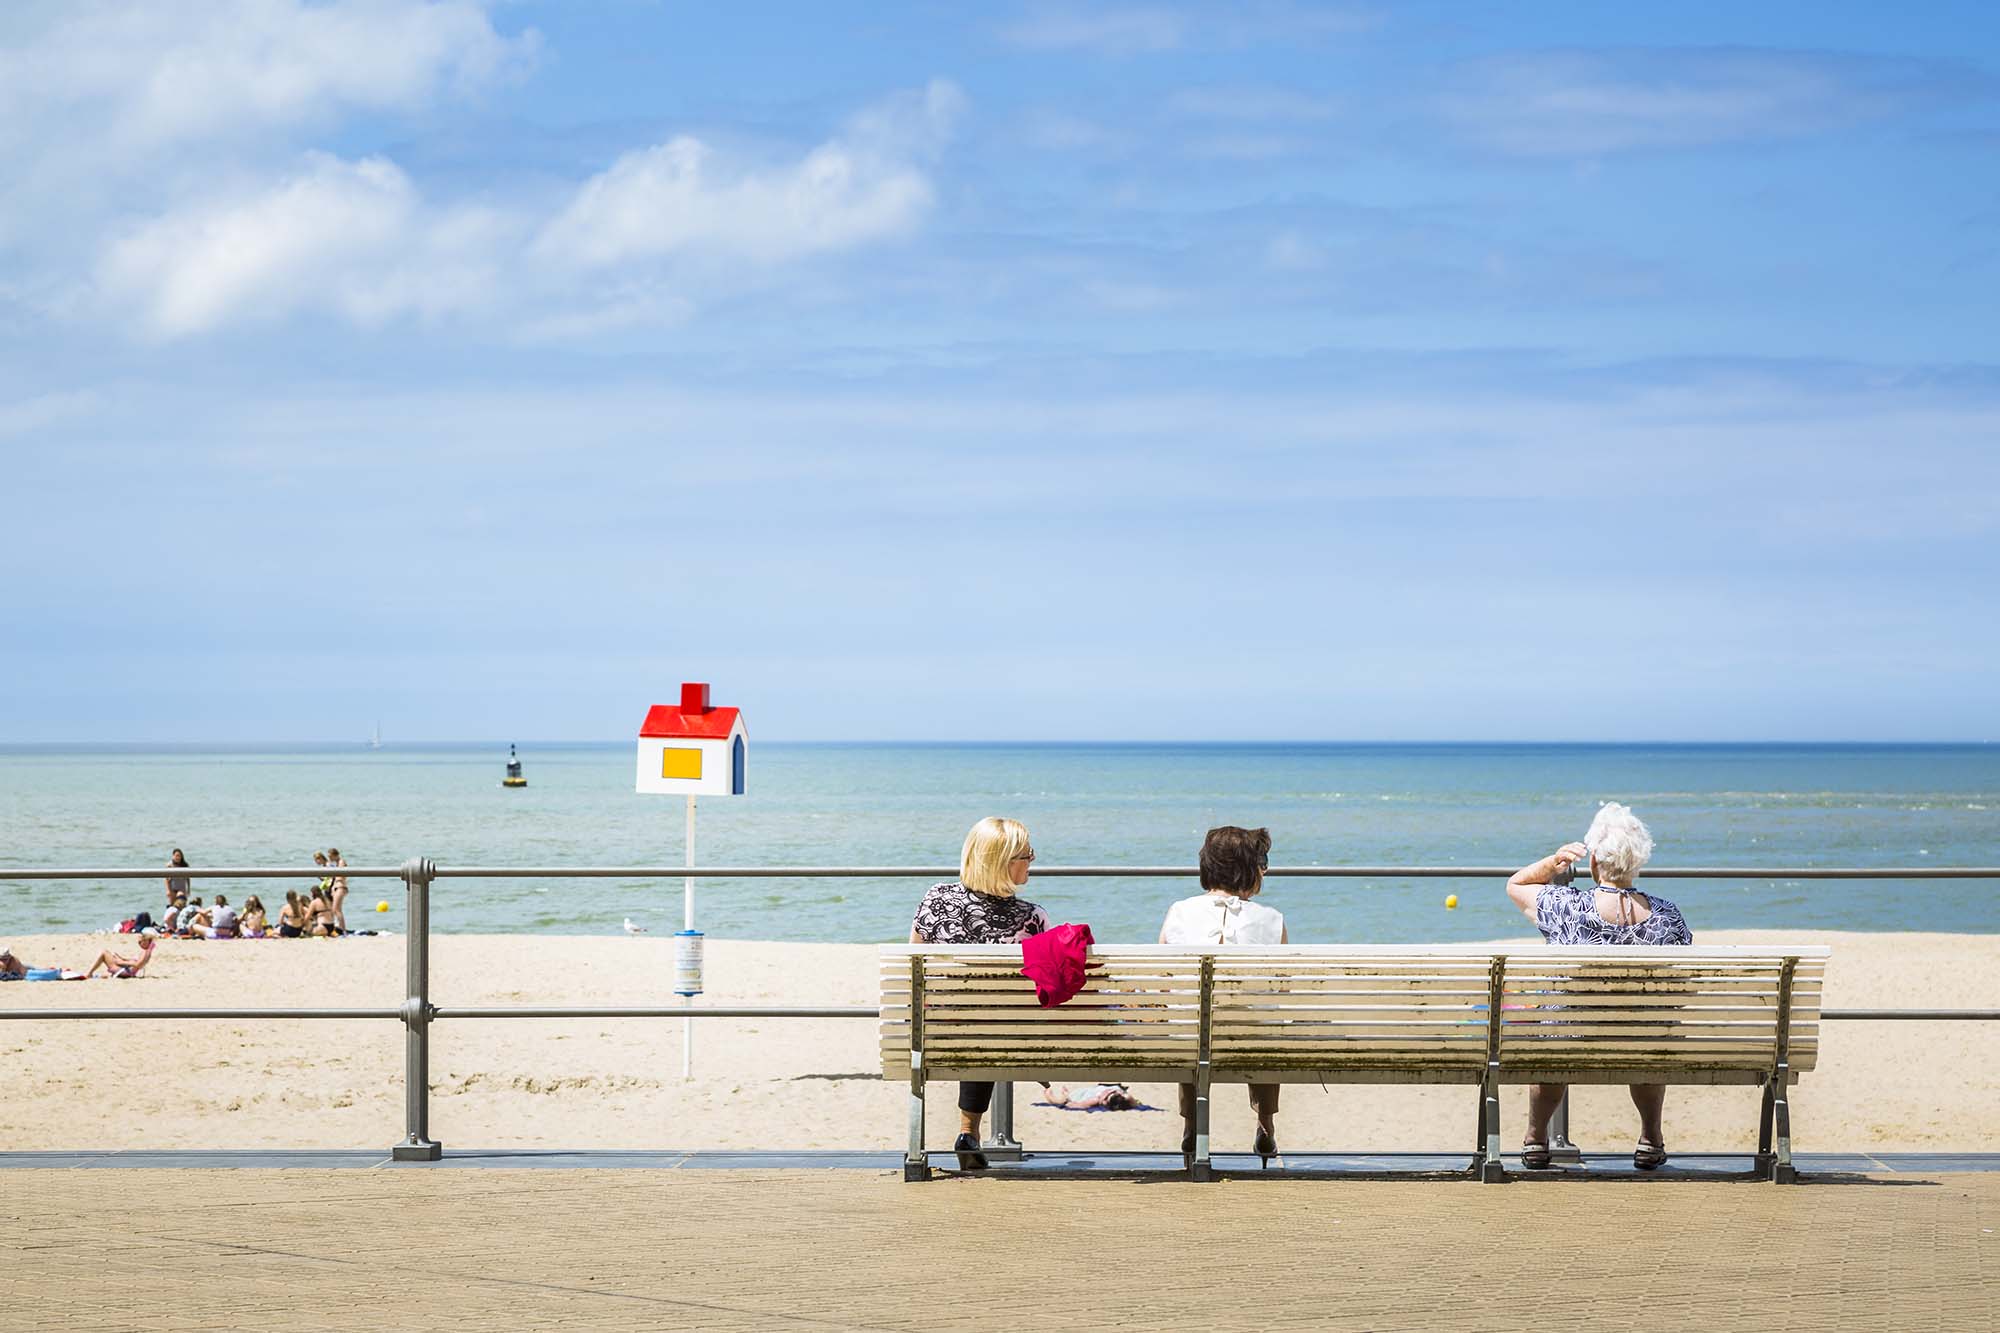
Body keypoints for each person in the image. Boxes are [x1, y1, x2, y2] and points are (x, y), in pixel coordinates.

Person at [1505, 802, 1693, 1171]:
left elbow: (1515, 885)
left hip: (1571, 1039)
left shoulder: (1566, 906)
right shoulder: (1668, 915)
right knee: (1650, 1031)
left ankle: (1536, 1139)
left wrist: (1552, 863)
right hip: (1639, 1042)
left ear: (1593, 863)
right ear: (1639, 863)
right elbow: (1679, 985)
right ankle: (1650, 1139)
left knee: (1554, 1029)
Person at [909, 816, 1050, 1171]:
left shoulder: (935, 899)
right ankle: (1044, 1087)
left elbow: (915, 968)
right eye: (1026, 855)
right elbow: (1044, 989)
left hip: (934, 1034)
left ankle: (967, 1132)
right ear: (1003, 863)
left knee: (977, 1020)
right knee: (989, 1023)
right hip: (996, 1036)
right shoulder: (1031, 918)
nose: (1032, 860)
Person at [1159, 825, 1286, 1167]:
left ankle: (1191, 1125)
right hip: (1250, 1039)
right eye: (1263, 862)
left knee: (1192, 1023)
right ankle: (1265, 1124)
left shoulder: (1179, 912)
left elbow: (1164, 978)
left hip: (1191, 1037)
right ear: (1249, 868)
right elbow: (1283, 985)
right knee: (1264, 1026)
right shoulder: (1272, 920)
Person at [85, 935, 158, 979]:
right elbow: (137, 962)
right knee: (110, 954)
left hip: (126, 972)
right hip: (128, 971)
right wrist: (123, 958)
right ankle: (95, 974)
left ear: (146, 941)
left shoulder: (145, 952)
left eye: (140, 942)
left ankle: (89, 973)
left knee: (104, 953)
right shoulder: (148, 951)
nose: (139, 944)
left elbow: (138, 965)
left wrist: (121, 962)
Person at [326, 848, 349, 933]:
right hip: (336, 887)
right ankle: (339, 927)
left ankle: (343, 929)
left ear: (335, 855)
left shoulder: (341, 862)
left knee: (336, 909)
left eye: (330, 856)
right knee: (334, 909)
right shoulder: (335, 863)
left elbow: (340, 875)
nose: (329, 858)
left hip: (340, 886)